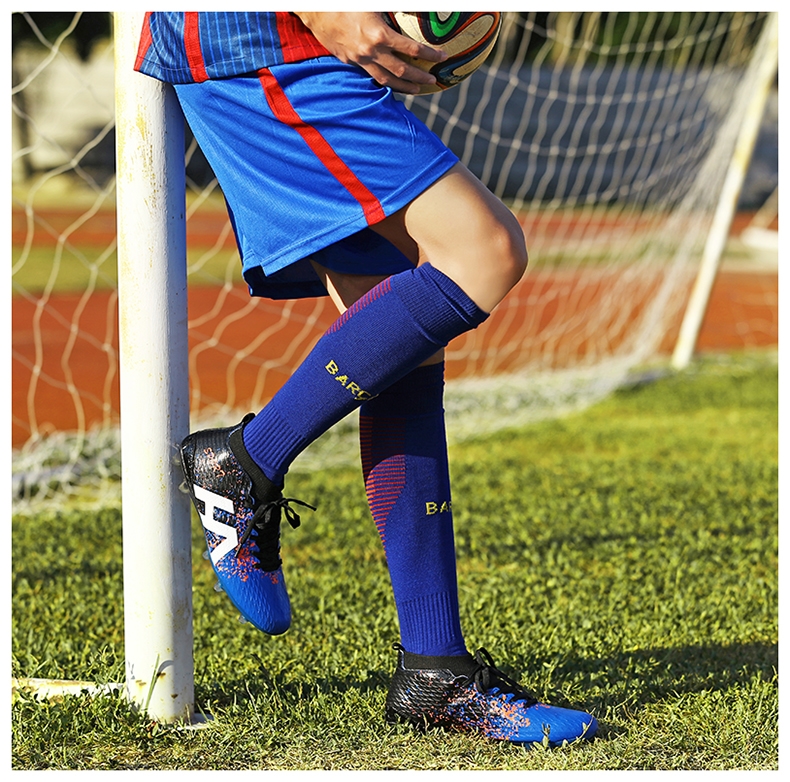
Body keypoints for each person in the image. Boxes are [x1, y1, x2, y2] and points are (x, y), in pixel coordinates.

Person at [135, 11, 597, 746]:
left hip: (293, 48)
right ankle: (244, 460)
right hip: (260, 41)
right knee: (485, 250)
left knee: (404, 351)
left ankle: (436, 675)